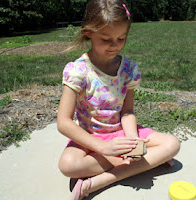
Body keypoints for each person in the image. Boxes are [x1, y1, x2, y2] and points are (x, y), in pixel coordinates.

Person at [57, 0, 180, 199]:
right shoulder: (78, 71)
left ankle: (102, 180)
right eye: (106, 39)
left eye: (121, 38)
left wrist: (132, 140)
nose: (115, 45)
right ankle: (142, 164)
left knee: (172, 144)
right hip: (91, 137)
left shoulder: (129, 69)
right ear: (89, 32)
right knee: (68, 165)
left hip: (121, 133)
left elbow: (127, 111)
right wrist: (103, 147)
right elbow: (63, 122)